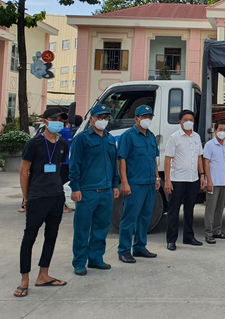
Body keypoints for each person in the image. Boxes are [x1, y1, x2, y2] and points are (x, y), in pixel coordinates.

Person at [14, 108, 70, 298]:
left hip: (56, 196)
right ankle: (24, 280)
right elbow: (24, 172)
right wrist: (26, 198)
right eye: (54, 119)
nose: (59, 122)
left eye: (61, 119)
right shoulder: (34, 144)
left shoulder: (62, 143)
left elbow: (60, 169)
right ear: (44, 121)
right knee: (29, 237)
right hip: (37, 197)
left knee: (51, 236)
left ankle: (43, 275)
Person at [69, 105, 120, 275]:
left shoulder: (110, 139)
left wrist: (115, 185)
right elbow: (74, 165)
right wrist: (75, 188)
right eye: (99, 117)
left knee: (101, 227)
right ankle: (79, 262)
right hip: (87, 191)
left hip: (105, 191)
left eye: (106, 117)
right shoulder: (82, 139)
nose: (103, 120)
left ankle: (96, 258)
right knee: (82, 228)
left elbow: (114, 165)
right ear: (91, 119)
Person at [117, 105, 160, 263]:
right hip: (134, 183)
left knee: (145, 217)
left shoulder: (151, 136)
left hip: (149, 183)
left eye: (149, 117)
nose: (147, 120)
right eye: (144, 117)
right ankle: (123, 250)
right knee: (129, 217)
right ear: (136, 119)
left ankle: (140, 247)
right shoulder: (128, 136)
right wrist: (124, 182)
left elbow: (154, 158)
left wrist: (157, 178)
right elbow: (122, 160)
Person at [164, 109, 206, 251]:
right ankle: (171, 240)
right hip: (177, 180)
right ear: (180, 122)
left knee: (189, 210)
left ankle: (188, 236)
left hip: (193, 179)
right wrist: (167, 180)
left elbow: (199, 156)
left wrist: (202, 175)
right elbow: (168, 159)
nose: (189, 122)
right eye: (186, 119)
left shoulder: (196, 137)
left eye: (191, 120)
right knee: (173, 210)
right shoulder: (174, 138)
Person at [203, 120, 225, 244]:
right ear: (215, 131)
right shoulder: (210, 145)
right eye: (220, 130)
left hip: (224, 182)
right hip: (213, 182)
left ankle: (217, 231)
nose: (222, 132)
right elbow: (206, 163)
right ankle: (208, 233)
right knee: (211, 208)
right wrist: (209, 180)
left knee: (220, 208)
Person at [59, 114, 83, 214]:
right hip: (77, 163)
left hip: (64, 162)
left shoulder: (65, 131)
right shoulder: (81, 132)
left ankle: (63, 205)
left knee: (61, 184)